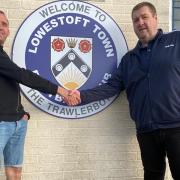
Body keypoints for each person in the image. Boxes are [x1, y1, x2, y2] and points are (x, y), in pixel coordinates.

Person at [64, 2, 180, 180]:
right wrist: (82, 95)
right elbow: (111, 87)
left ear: (155, 18)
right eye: (135, 20)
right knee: (152, 176)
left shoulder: (176, 41)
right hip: (146, 130)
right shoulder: (128, 60)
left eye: (144, 17)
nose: (140, 22)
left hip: (176, 126)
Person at [0, 10, 75, 180]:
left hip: (16, 123)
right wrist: (61, 90)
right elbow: (21, 75)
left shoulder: (3, 54)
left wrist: (21, 114)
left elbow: (8, 85)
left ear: (9, 30)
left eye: (4, 24)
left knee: (15, 172)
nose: (1, 27)